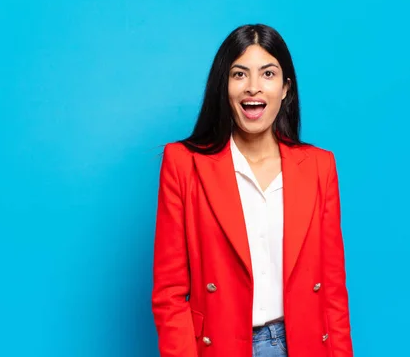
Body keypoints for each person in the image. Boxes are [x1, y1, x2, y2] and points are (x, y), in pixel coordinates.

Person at [151, 23, 353, 357]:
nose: (254, 88)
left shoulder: (319, 166)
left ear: (286, 88)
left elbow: (332, 292)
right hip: (222, 346)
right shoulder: (183, 163)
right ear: (224, 86)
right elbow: (169, 294)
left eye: (268, 74)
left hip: (301, 344)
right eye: (239, 74)